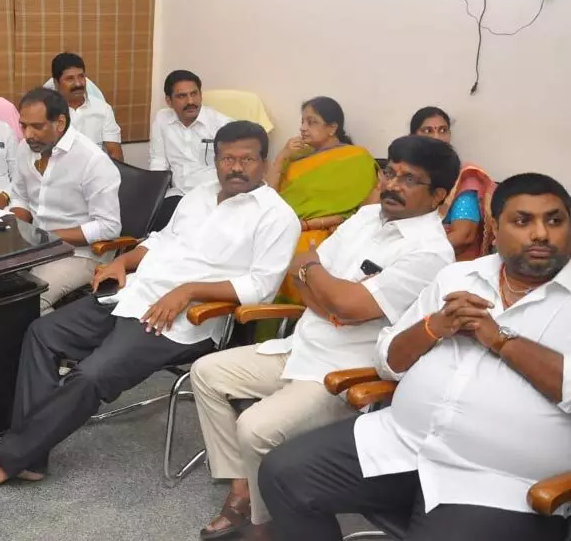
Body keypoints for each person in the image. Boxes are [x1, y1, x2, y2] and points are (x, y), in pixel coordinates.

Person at [0, 120, 301, 487]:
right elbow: (160, 241)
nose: (236, 167)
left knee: (91, 375)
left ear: (264, 162)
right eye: (227, 158)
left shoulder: (276, 217)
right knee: (42, 332)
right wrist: (122, 261)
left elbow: (260, 286)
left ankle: (9, 453)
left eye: (247, 159)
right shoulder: (199, 194)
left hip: (184, 319)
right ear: (215, 160)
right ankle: (30, 455)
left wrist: (189, 291)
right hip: (133, 294)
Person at [259, 173, 571, 541]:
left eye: (555, 220)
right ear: (495, 227)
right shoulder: (457, 276)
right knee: (281, 474)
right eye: (522, 221)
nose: (540, 234)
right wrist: (434, 326)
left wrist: (499, 339)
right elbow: (387, 359)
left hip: (497, 481)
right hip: (402, 442)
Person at [194, 135, 460, 541]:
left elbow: (346, 302)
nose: (392, 184)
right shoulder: (367, 218)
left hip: (341, 373)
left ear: (438, 195)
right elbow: (299, 266)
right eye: (390, 172)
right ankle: (242, 489)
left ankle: (263, 527)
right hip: (298, 346)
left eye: (410, 179)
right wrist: (326, 292)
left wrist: (321, 280)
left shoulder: (430, 253)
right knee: (207, 372)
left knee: (254, 428)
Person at [6, 88, 122, 314]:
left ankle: (52, 340)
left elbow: (109, 227)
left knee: (26, 302)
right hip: (34, 247)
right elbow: (19, 197)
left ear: (60, 123)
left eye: (37, 127)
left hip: (80, 255)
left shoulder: (92, 161)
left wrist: (49, 237)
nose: (27, 134)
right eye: (23, 125)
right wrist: (16, 230)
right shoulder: (25, 149)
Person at [265, 96, 377, 304]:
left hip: (328, 236)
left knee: (293, 258)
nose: (303, 128)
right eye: (302, 122)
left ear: (332, 127)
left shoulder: (356, 158)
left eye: (312, 122)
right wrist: (282, 156)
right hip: (284, 231)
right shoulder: (296, 159)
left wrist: (309, 224)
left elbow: (364, 212)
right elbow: (268, 200)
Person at [149, 70, 233, 231]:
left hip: (210, 197)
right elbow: (158, 161)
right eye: (182, 96)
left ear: (201, 95)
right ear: (169, 100)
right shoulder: (162, 119)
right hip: (177, 194)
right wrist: (155, 196)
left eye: (194, 94)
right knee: (156, 229)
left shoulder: (221, 124)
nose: (190, 101)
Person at [412, 106, 496, 260]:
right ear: (413, 136)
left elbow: (464, 236)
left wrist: (412, 254)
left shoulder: (466, 177)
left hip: (449, 264)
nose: (437, 137)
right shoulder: (404, 173)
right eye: (428, 130)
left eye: (443, 130)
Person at [50, 53, 123, 161]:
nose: (78, 84)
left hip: (95, 172)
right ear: (56, 83)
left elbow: (115, 153)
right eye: (70, 79)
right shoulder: (46, 111)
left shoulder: (103, 109)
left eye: (81, 76)